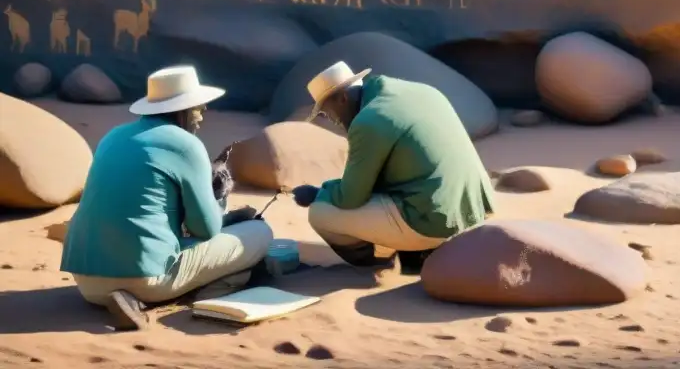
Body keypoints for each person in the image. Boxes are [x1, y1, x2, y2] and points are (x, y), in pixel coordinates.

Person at [60, 66, 273, 331]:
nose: (204, 111)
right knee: (260, 232)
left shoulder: (112, 137)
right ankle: (182, 295)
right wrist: (219, 197)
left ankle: (130, 297)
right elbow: (205, 229)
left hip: (86, 283)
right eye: (198, 105)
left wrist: (227, 218)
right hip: (145, 280)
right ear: (181, 108)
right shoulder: (186, 144)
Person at [292, 61, 495, 274]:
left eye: (326, 113)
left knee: (320, 212)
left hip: (438, 222)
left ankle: (381, 265)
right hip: (474, 210)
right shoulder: (425, 92)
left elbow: (351, 197)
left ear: (342, 99)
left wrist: (319, 193)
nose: (332, 121)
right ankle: (415, 251)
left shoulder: (369, 120)